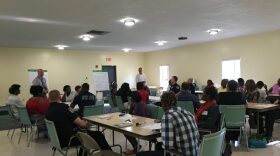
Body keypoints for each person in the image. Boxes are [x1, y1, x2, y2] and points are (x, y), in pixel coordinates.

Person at [45, 90, 111, 156]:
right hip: (70, 140)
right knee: (98, 134)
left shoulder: (47, 110)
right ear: (59, 97)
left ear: (49, 98)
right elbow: (83, 125)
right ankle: (110, 154)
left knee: (83, 134)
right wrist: (88, 123)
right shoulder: (64, 107)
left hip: (58, 141)